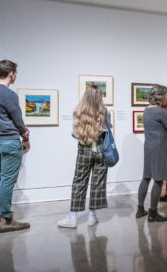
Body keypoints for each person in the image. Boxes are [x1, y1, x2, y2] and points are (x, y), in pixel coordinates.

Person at [0, 60, 31, 233]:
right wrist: (25, 135)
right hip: (9, 141)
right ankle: (7, 220)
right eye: (16, 73)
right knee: (7, 180)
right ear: (11, 73)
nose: (16, 75)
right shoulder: (9, 95)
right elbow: (18, 120)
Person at [58, 85, 111, 228]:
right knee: (97, 183)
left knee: (79, 182)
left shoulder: (78, 110)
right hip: (100, 149)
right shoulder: (105, 112)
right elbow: (108, 130)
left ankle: (72, 218)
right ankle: (92, 217)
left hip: (84, 149)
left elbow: (75, 133)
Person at [136, 84, 167, 222]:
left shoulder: (146, 110)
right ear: (161, 97)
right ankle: (153, 213)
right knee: (158, 180)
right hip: (159, 149)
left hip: (148, 147)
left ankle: (140, 209)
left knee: (146, 178)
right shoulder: (160, 112)